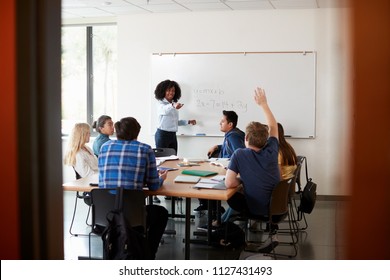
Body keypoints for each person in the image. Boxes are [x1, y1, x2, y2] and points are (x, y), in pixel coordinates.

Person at [98, 117, 169, 259]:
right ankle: (148, 255)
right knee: (161, 213)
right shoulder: (145, 149)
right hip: (132, 216)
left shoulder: (104, 147)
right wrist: (162, 178)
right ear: (136, 133)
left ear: (117, 132)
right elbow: (154, 185)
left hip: (106, 215)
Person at [221, 87, 281, 253]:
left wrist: (242, 179)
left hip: (257, 208)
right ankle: (270, 233)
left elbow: (229, 182)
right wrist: (264, 104)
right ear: (265, 140)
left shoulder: (240, 154)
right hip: (277, 207)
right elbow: (273, 126)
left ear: (245, 138)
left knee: (233, 197)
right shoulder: (272, 150)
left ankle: (227, 230)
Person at [194, 110, 245, 213]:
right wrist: (217, 146)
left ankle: (213, 208)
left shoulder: (233, 136)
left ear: (230, 124)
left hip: (227, 170)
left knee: (204, 179)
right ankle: (209, 205)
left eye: (222, 121)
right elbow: (230, 147)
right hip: (223, 166)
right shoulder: (231, 134)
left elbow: (239, 153)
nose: (220, 123)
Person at [154, 79, 196, 202]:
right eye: (169, 90)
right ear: (163, 91)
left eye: (173, 90)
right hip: (162, 135)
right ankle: (155, 193)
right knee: (160, 163)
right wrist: (173, 106)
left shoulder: (173, 104)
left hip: (172, 135)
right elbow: (165, 110)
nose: (171, 92)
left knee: (172, 164)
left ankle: (170, 191)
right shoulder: (161, 104)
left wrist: (187, 122)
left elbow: (174, 123)